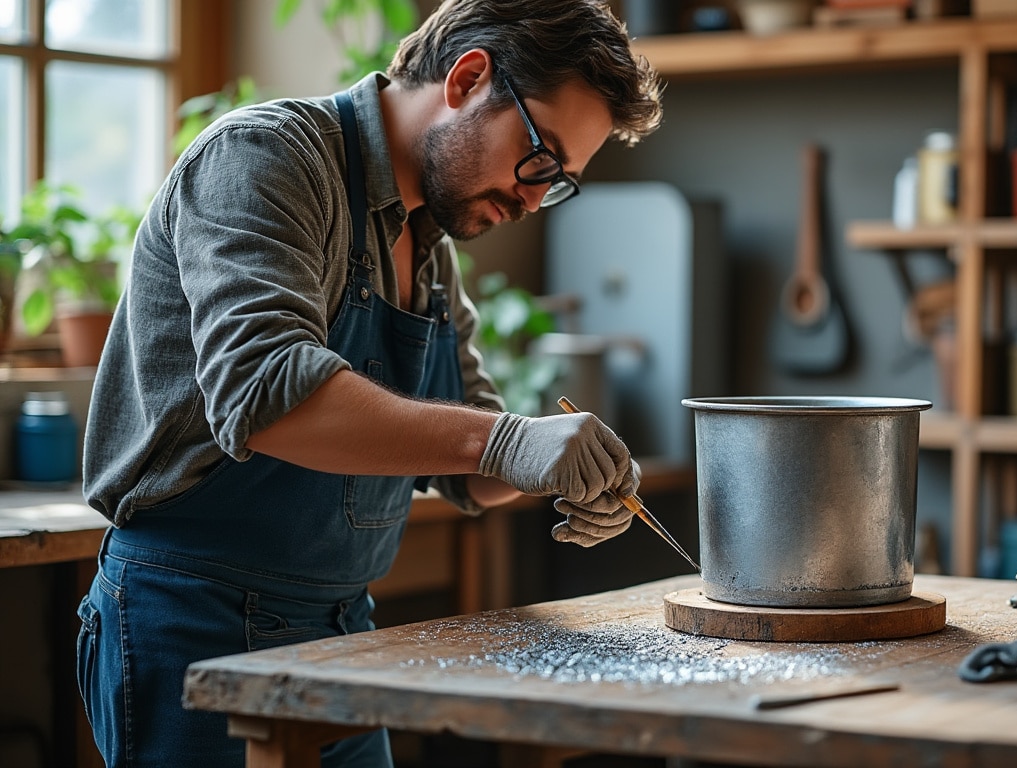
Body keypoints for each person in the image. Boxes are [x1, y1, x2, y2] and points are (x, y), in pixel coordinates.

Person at [74, 1, 663, 765]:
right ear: (469, 77)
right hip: (191, 617)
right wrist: (507, 441)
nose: (531, 197)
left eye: (558, 182)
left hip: (341, 628)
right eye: (539, 156)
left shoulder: (428, 245)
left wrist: (566, 470)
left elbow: (466, 465)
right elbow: (264, 391)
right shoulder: (267, 157)